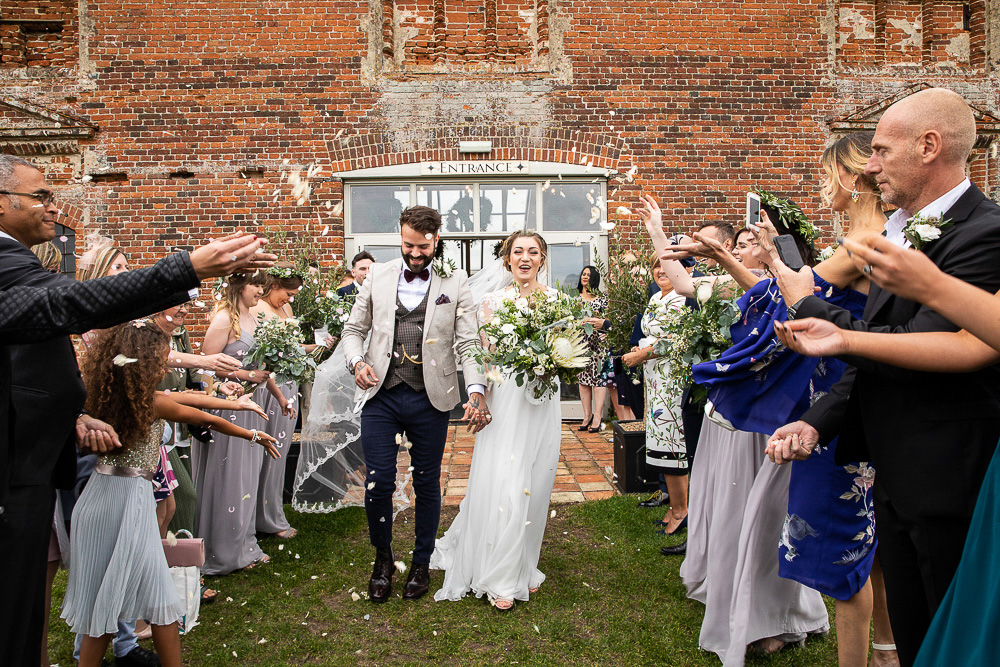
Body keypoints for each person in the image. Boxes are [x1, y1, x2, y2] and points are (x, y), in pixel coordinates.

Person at [0, 153, 275, 666]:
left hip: (47, 451)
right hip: (31, 466)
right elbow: (71, 307)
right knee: (40, 594)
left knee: (50, 597)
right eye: (40, 195)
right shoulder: (5, 263)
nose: (53, 206)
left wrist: (73, 414)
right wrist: (187, 268)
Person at [766, 87, 1000, 666]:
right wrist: (817, 424)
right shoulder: (902, 231)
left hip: (952, 475)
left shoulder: (984, 233)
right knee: (919, 634)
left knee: (956, 638)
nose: (868, 167)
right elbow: (879, 358)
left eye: (879, 150)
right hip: (895, 472)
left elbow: (930, 345)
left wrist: (823, 317)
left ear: (929, 147)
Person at [62, 321, 278, 667]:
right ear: (143, 361)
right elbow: (196, 413)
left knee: (130, 596)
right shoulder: (148, 403)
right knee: (115, 598)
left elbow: (188, 399)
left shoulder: (108, 396)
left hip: (101, 496)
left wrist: (239, 407)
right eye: (161, 360)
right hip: (126, 499)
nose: (166, 366)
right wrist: (250, 435)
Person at [341, 205, 489, 603]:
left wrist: (476, 388)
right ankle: (383, 558)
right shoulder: (378, 276)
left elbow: (469, 341)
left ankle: (421, 561)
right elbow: (353, 330)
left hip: (431, 398)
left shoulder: (455, 281)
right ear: (400, 237)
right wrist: (356, 362)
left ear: (436, 240)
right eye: (408, 245)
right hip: (381, 395)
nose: (415, 253)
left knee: (426, 482)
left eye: (423, 247)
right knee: (378, 483)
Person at [430, 230, 562, 610]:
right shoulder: (489, 304)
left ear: (542, 259)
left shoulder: (557, 302)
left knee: (536, 480)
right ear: (507, 259)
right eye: (517, 251)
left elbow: (569, 348)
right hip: (505, 399)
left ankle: (523, 565)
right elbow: (483, 358)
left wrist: (554, 364)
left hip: (542, 400)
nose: (525, 257)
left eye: (533, 252)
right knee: (506, 478)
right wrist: (480, 398)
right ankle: (500, 576)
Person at [195, 270, 287, 575]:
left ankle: (245, 542)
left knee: (248, 477)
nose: (259, 291)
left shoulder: (254, 317)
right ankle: (223, 549)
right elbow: (206, 370)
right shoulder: (223, 319)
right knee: (230, 479)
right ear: (237, 286)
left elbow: (263, 367)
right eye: (254, 285)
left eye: (262, 286)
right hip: (230, 408)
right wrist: (244, 377)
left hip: (255, 405)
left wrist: (279, 396)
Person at [250, 263, 332, 540]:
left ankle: (270, 514)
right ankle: (258, 517)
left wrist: (315, 346)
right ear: (273, 286)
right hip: (269, 386)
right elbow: (282, 348)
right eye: (286, 293)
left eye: (293, 295)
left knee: (279, 451)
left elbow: (291, 347)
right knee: (264, 450)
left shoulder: (286, 310)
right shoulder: (258, 310)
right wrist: (314, 347)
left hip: (289, 381)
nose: (289, 299)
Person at [622, 252, 688, 536]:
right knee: (659, 440)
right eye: (656, 266)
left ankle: (682, 510)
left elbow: (676, 339)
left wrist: (643, 355)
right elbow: (651, 334)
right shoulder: (655, 298)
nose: (661, 270)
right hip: (654, 378)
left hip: (673, 379)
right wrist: (640, 350)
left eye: (668, 266)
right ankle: (674, 506)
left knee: (671, 441)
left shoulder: (684, 298)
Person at [576, 265, 612, 432]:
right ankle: (586, 415)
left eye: (589, 275)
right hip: (581, 343)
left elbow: (608, 320)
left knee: (598, 379)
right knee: (582, 380)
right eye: (583, 274)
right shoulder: (575, 298)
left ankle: (598, 416)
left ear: (594, 278)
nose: (585, 277)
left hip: (599, 343)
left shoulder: (603, 298)